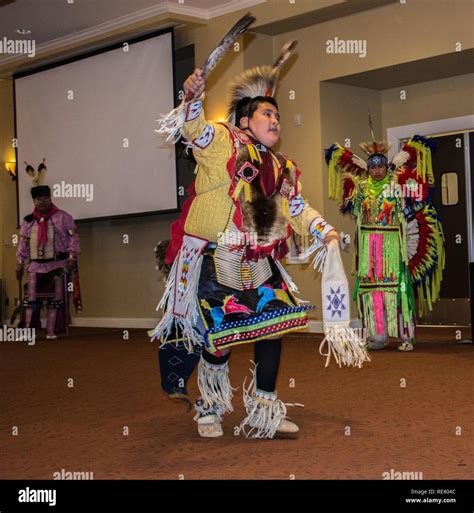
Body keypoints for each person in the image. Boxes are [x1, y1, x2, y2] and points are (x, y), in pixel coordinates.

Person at [151, 48, 367, 440]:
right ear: (245, 120)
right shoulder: (221, 142)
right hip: (218, 257)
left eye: (278, 116)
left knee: (272, 328)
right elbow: (192, 129)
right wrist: (192, 97)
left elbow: (297, 207)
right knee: (221, 334)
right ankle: (211, 406)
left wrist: (323, 230)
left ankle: (265, 410)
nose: (275, 120)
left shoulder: (282, 166)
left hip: (260, 257)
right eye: (267, 114)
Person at [325, 136, 445, 352]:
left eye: (381, 167)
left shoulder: (397, 185)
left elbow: (418, 200)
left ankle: (405, 336)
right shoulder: (361, 189)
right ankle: (378, 336)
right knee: (373, 292)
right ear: (368, 168)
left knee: (398, 290)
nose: (377, 171)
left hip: (392, 247)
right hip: (369, 249)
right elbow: (355, 213)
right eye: (373, 167)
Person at [16, 179, 81, 339]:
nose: (42, 202)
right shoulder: (28, 221)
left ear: (50, 199)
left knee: (55, 299)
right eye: (39, 199)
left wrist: (72, 256)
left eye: (45, 199)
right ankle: (27, 331)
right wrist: (19, 262)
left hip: (57, 265)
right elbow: (23, 243)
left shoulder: (63, 217)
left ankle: (52, 330)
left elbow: (74, 238)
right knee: (31, 299)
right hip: (35, 267)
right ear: (34, 201)